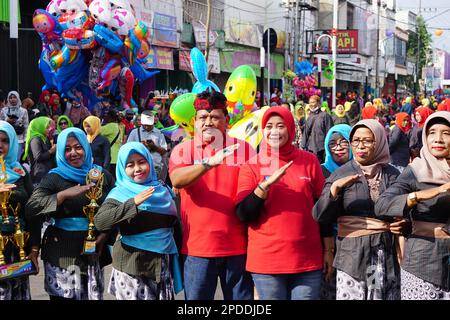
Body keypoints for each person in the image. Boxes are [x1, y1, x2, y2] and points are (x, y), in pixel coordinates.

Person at [235, 107, 331, 300]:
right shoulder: (252, 165)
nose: (274, 131)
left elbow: (323, 210)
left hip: (307, 259)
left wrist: (329, 250)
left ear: (290, 128)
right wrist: (263, 187)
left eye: (280, 126)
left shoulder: (309, 161)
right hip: (267, 261)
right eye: (269, 126)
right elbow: (243, 214)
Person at [169, 90, 255, 300]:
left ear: (226, 119)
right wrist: (208, 164)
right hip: (198, 249)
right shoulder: (184, 150)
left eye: (215, 116)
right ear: (195, 121)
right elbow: (177, 180)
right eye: (203, 117)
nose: (208, 122)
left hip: (239, 247)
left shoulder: (245, 149)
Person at [312, 119, 406, 300]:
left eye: (367, 141)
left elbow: (405, 211)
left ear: (378, 142)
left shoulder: (392, 174)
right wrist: (334, 191)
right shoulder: (341, 174)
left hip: (381, 252)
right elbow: (320, 215)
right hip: (352, 256)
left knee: (376, 294)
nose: (360, 146)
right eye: (355, 141)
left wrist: (402, 223)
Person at [25, 128, 115, 300]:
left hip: (93, 251)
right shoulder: (54, 177)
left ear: (86, 148)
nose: (73, 153)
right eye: (67, 149)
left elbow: (117, 208)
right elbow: (31, 208)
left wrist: (104, 235)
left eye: (78, 147)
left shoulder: (102, 175)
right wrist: (63, 195)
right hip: (61, 253)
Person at [375, 112, 450, 300]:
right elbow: (382, 205)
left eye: (446, 133)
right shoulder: (416, 171)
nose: (438, 139)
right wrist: (421, 195)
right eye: (432, 132)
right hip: (423, 264)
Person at [94, 142, 182, 300]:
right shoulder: (119, 193)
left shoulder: (163, 189)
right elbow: (101, 221)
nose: (137, 169)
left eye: (142, 162)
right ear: (122, 168)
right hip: (132, 268)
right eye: (130, 165)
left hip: (162, 265)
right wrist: (132, 203)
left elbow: (175, 225)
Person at [0, 121, 34, 300]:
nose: (0, 145)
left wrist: (34, 247)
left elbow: (32, 204)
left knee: (18, 292)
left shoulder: (20, 171)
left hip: (17, 244)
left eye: (5, 140)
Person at [319, 124, 353, 300]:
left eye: (343, 142)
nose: (338, 148)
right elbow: (321, 215)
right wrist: (328, 250)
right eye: (332, 143)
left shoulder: (363, 171)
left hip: (356, 243)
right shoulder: (322, 171)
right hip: (329, 242)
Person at [127, 110, 168, 181]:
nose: (146, 126)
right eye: (144, 124)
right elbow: (128, 149)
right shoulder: (134, 133)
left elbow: (164, 151)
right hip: (139, 168)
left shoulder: (159, 133)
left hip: (156, 167)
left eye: (148, 124)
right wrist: (140, 146)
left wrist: (154, 147)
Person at [22, 117, 56, 186]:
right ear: (39, 127)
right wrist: (51, 151)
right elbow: (38, 157)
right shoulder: (35, 139)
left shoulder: (44, 138)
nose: (49, 129)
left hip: (46, 172)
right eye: (46, 127)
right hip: (39, 175)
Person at [301, 95, 334, 163]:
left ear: (319, 103)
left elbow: (330, 132)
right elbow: (305, 133)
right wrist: (303, 146)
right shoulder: (309, 116)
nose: (311, 104)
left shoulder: (325, 116)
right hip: (310, 148)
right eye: (310, 102)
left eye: (313, 102)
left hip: (322, 149)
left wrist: (329, 147)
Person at [0, 91, 29, 161]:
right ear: (8, 99)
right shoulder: (3, 110)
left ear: (18, 98)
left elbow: (26, 126)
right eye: (10, 98)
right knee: (4, 158)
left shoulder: (23, 111)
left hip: (19, 139)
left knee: (16, 159)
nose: (12, 99)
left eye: (14, 97)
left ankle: (14, 171)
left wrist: (25, 140)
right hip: (6, 139)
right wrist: (7, 121)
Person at [101, 109, 124, 177]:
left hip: (111, 158)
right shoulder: (119, 126)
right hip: (116, 158)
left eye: (106, 115)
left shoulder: (111, 126)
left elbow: (95, 130)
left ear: (110, 117)